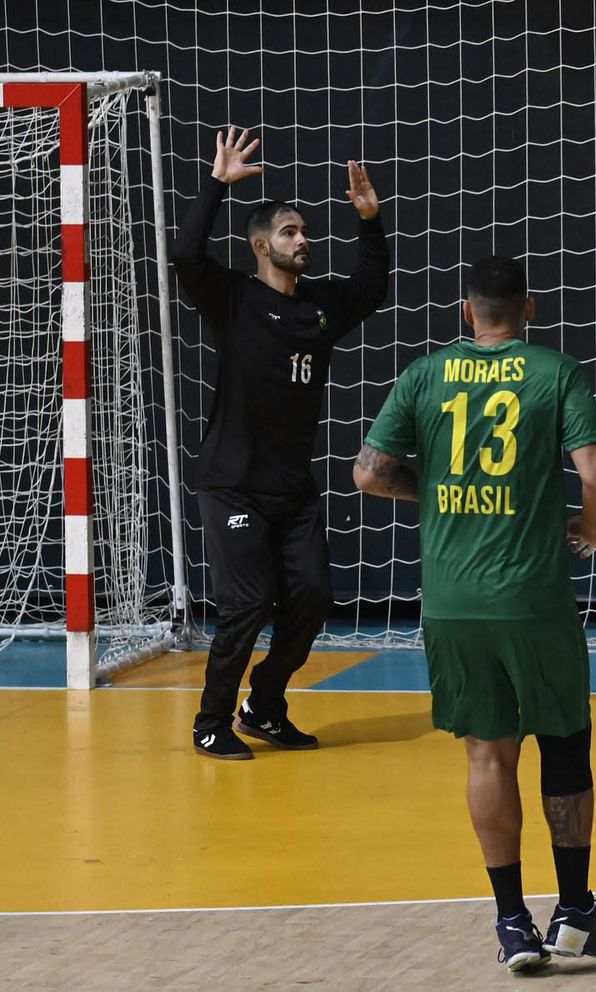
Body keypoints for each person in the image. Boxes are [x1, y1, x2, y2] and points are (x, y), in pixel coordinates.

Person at [353, 256, 596, 971]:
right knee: (564, 744)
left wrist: (435, 489)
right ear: (527, 309)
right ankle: (574, 912)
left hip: (451, 601)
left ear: (467, 312)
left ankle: (511, 924)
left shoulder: (424, 374)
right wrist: (589, 530)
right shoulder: (553, 371)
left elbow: (369, 473)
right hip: (531, 595)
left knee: (487, 754)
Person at [171, 126, 390, 760]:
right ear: (261, 245)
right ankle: (210, 723)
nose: (305, 240)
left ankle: (263, 704)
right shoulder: (234, 298)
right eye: (291, 232)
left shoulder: (319, 305)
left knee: (315, 598)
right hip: (233, 481)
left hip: (292, 488)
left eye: (306, 231)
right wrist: (217, 184)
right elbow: (187, 254)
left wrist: (369, 222)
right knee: (246, 603)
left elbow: (372, 289)